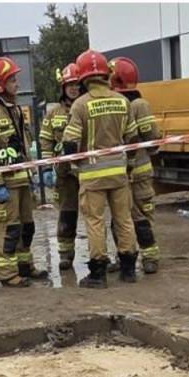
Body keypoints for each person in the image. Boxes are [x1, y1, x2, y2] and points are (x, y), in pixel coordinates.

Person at [62, 49, 139, 288]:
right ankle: (128, 270)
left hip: (92, 175)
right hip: (119, 173)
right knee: (124, 219)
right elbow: (133, 139)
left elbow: (70, 143)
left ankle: (98, 274)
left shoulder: (80, 105)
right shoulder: (123, 101)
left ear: (83, 77)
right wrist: (127, 163)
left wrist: (75, 163)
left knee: (95, 222)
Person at [0, 57, 49, 287]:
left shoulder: (14, 108)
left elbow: (23, 144)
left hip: (22, 180)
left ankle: (25, 265)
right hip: (6, 184)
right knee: (8, 229)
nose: (17, 84)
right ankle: (7, 274)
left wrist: (31, 171)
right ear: (0, 83)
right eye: (13, 80)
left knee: (27, 227)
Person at [110, 57, 162, 274]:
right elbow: (153, 140)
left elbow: (150, 139)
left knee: (135, 217)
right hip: (132, 171)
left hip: (131, 173)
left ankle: (148, 256)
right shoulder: (137, 104)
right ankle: (130, 256)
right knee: (125, 217)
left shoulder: (132, 105)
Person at [39, 63, 82, 271]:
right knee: (67, 214)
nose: (74, 88)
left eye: (77, 84)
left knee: (95, 217)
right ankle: (65, 254)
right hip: (65, 174)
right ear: (63, 87)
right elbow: (46, 140)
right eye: (70, 85)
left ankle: (99, 255)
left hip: (87, 171)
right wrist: (47, 169)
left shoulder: (86, 106)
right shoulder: (53, 113)